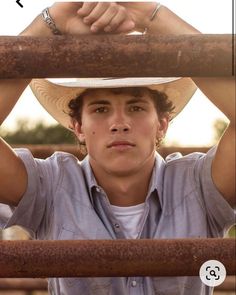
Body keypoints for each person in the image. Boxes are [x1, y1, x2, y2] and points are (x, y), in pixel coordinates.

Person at [0, 2, 235, 295]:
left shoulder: (199, 184)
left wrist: (149, 16)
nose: (119, 123)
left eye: (136, 107)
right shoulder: (51, 184)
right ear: (78, 127)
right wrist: (53, 21)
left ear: (162, 124)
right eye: (100, 109)